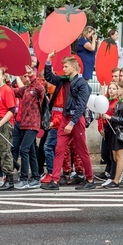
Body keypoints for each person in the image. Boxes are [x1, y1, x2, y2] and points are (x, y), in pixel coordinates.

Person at [41, 53, 96, 190]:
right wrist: (48, 60)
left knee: (82, 150)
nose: (63, 69)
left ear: (74, 67)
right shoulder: (65, 80)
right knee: (59, 149)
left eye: (66, 67)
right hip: (66, 118)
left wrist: (72, 123)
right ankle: (54, 181)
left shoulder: (82, 83)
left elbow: (81, 105)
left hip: (75, 120)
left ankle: (89, 179)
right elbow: (49, 77)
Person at [13, 65, 44, 189]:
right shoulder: (25, 89)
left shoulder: (36, 89)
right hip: (24, 125)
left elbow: (40, 89)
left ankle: (24, 178)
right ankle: (36, 178)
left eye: (28, 76)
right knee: (31, 152)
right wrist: (5, 79)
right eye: (24, 76)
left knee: (24, 150)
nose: (26, 78)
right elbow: (12, 91)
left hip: (33, 124)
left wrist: (32, 75)